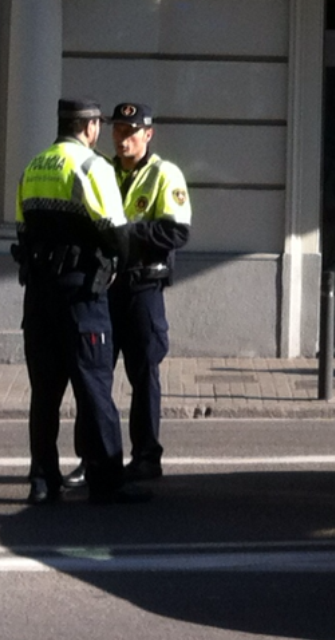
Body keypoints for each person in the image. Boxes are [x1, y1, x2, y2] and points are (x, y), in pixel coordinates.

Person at [12, 98, 151, 505]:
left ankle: (43, 478)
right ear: (89, 127)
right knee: (93, 386)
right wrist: (120, 267)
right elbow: (115, 232)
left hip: (38, 297)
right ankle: (107, 479)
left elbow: (23, 232)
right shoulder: (93, 167)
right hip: (82, 295)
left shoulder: (33, 167)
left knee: (45, 391)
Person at [64, 102, 191, 489]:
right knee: (94, 376)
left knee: (143, 373)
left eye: (131, 131)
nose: (123, 138)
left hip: (142, 288)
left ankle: (147, 456)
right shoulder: (102, 170)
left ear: (148, 134)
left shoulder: (164, 174)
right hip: (105, 288)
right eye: (118, 130)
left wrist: (125, 233)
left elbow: (176, 233)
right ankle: (93, 458)